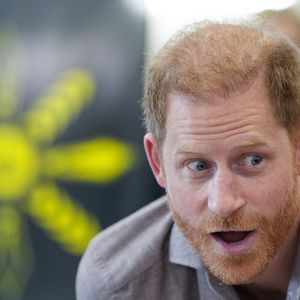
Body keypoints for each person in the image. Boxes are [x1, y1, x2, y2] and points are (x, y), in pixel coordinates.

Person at [76, 20, 300, 300]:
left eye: (253, 160)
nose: (222, 203)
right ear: (158, 163)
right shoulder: (120, 285)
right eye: (198, 166)